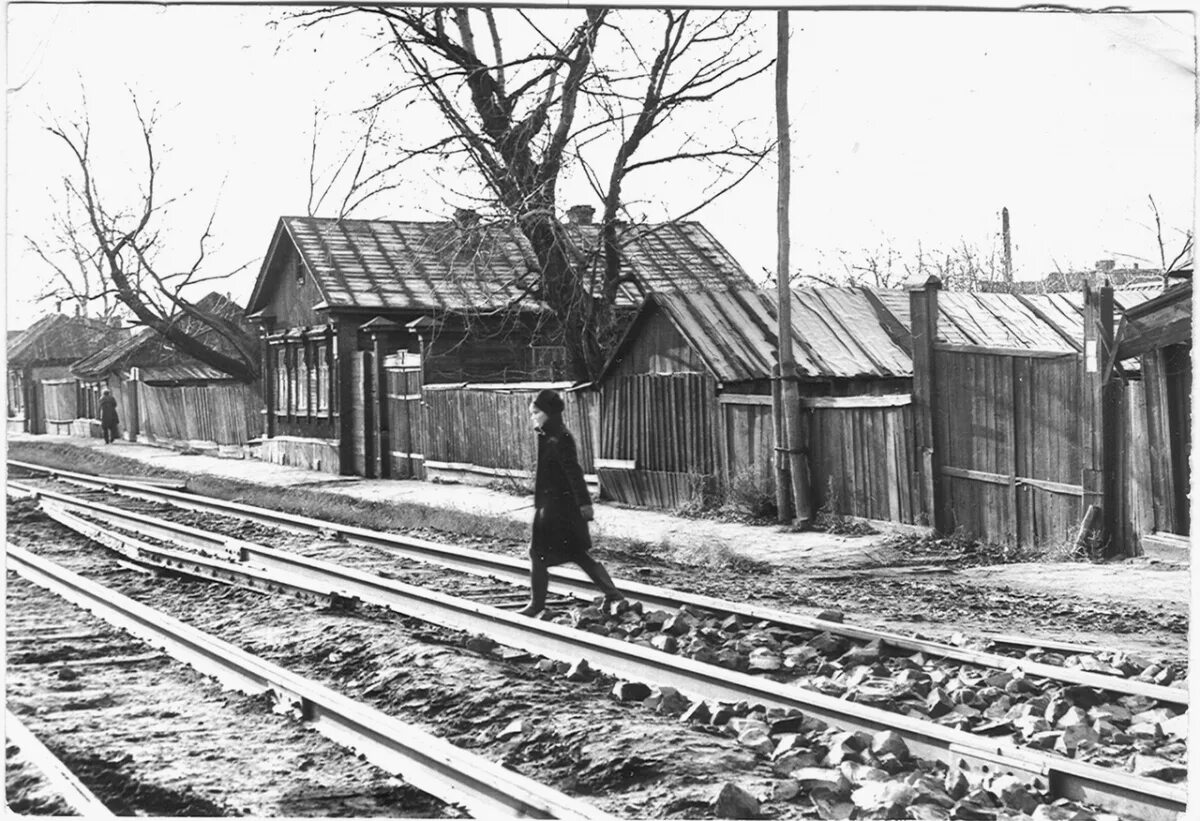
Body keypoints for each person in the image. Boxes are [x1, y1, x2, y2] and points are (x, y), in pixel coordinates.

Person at [519, 389, 624, 617]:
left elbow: (573, 472)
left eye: (536, 412)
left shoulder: (559, 438)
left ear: (547, 412)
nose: (533, 417)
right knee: (576, 553)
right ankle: (613, 594)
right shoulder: (548, 435)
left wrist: (584, 504)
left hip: (558, 510)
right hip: (555, 508)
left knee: (538, 553)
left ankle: (536, 605)